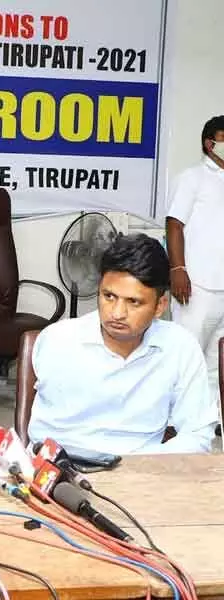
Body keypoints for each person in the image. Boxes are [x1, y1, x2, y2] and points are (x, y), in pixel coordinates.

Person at [28, 234, 220, 454]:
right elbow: (40, 436)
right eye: (109, 296)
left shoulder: (179, 347)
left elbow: (197, 435)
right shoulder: (58, 341)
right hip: (62, 469)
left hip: (142, 472)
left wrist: (136, 466)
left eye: (134, 302)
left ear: (160, 306)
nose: (117, 313)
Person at [166, 114, 224, 436]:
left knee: (218, 360)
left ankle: (212, 419)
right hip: (196, 284)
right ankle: (176, 422)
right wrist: (178, 269)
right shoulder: (193, 178)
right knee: (187, 357)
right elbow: (175, 224)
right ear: (210, 143)